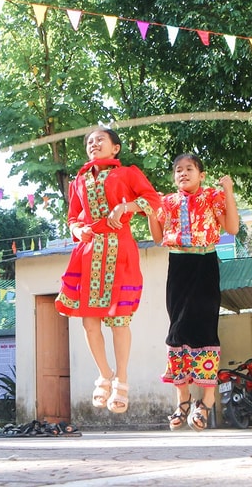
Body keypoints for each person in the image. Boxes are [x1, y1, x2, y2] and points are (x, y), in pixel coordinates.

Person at [56, 128, 160, 417]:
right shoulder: (78, 181)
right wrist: (78, 228)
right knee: (89, 322)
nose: (93, 144)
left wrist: (125, 206)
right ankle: (104, 373)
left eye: (100, 140)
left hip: (120, 248)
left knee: (119, 319)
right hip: (88, 253)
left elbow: (153, 201)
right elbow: (73, 218)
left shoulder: (127, 173)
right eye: (90, 141)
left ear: (115, 148)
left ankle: (122, 379)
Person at [148, 153, 238, 431]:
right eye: (178, 170)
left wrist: (229, 191)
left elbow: (232, 228)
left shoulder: (213, 196)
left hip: (206, 263)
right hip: (178, 264)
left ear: (202, 174)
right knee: (177, 329)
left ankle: (207, 401)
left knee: (205, 328)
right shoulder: (166, 202)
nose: (183, 173)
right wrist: (150, 210)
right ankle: (183, 400)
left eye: (189, 169)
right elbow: (157, 237)